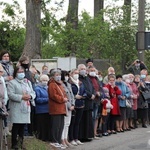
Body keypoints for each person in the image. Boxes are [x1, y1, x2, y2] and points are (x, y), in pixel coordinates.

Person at [7, 66, 36, 149]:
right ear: (15, 73)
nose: (21, 73)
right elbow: (10, 94)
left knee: (23, 126)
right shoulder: (12, 83)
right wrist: (21, 97)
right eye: (19, 72)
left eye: (22, 72)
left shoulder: (27, 82)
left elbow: (33, 92)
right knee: (16, 125)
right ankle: (14, 144)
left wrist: (30, 96)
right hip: (17, 107)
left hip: (26, 107)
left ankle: (21, 143)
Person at [48, 69, 68, 149]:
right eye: (56, 75)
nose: (58, 76)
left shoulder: (60, 84)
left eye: (59, 75)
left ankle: (59, 141)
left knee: (61, 126)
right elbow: (54, 96)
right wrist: (63, 99)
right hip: (56, 108)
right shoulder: (52, 84)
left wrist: (65, 98)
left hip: (62, 108)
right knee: (56, 126)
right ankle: (54, 140)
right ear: (53, 76)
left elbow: (64, 93)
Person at [78, 64, 95, 141]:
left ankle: (88, 135)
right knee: (83, 120)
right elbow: (83, 89)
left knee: (88, 120)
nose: (83, 70)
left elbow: (92, 87)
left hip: (90, 102)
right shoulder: (79, 78)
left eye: (84, 69)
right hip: (84, 100)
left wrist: (94, 94)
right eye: (81, 69)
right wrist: (90, 95)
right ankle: (81, 136)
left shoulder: (87, 78)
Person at [68, 68, 85, 146]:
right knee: (72, 122)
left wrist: (82, 96)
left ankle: (76, 138)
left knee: (78, 122)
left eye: (77, 73)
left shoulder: (80, 83)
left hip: (80, 103)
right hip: (74, 104)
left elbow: (84, 91)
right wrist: (75, 96)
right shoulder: (70, 83)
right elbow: (69, 94)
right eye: (75, 73)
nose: (76, 74)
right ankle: (71, 138)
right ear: (71, 74)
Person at [0, 50, 14, 136]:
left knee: (7, 108)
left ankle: (6, 127)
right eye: (4, 56)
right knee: (3, 106)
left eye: (7, 56)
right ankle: (3, 127)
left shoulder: (10, 65)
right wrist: (6, 78)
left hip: (10, 87)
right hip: (2, 86)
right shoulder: (0, 65)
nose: (6, 58)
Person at [60, 70, 75, 148]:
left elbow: (72, 95)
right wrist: (69, 105)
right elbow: (64, 96)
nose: (67, 77)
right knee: (64, 123)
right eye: (65, 75)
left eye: (67, 75)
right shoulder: (60, 84)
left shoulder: (68, 84)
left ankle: (66, 138)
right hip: (65, 106)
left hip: (71, 107)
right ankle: (62, 139)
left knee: (67, 124)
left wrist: (73, 104)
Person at [34, 74, 50, 141]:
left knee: (47, 125)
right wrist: (47, 99)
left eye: (46, 80)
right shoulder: (37, 88)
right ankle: (41, 138)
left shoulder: (47, 88)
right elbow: (37, 99)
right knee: (41, 125)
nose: (45, 82)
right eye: (43, 80)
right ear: (40, 80)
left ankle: (46, 138)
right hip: (40, 110)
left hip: (48, 109)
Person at [0, 64, 8, 149]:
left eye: (1, 72)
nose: (1, 73)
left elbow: (4, 92)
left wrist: (4, 101)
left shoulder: (1, 79)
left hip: (1, 106)